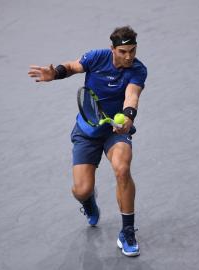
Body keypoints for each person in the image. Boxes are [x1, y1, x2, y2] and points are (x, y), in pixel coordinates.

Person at [28, 26, 147, 257]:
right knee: (82, 190)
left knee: (122, 169)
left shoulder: (138, 70)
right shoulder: (97, 57)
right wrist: (57, 72)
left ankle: (128, 232)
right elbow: (73, 67)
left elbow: (132, 95)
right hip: (87, 129)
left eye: (132, 50)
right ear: (112, 49)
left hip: (115, 130)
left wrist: (128, 118)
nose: (129, 56)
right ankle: (89, 201)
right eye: (123, 51)